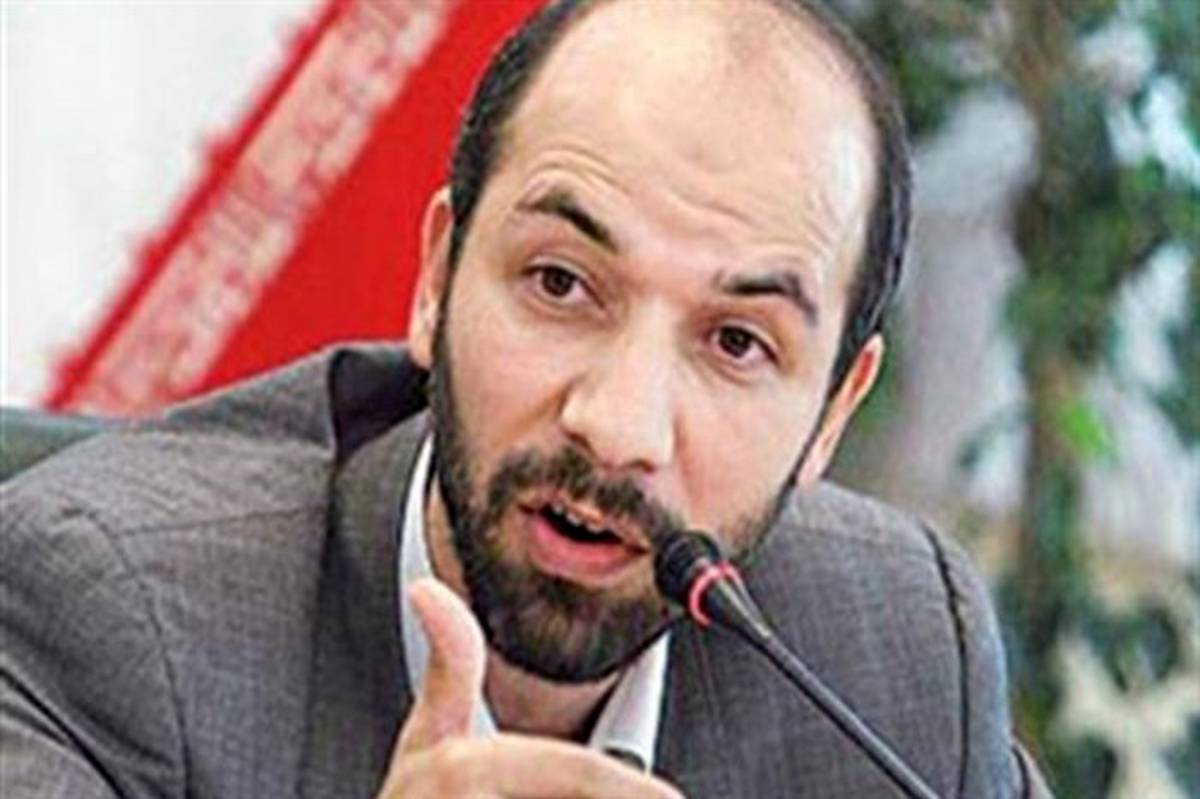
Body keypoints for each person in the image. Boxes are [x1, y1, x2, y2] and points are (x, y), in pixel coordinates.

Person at [1, 0, 1052, 796]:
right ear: (437, 278)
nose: (619, 426)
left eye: (737, 342)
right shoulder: (110, 615)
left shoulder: (900, 651)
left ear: (832, 413)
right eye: (560, 283)